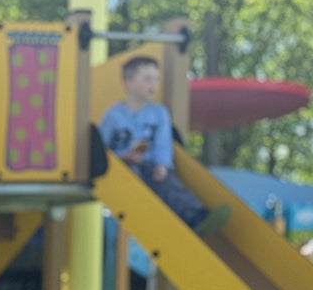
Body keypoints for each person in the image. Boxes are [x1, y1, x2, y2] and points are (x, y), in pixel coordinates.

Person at [99, 55, 231, 237]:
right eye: (147, 79)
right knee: (134, 178)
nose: (153, 84)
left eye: (156, 79)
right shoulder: (113, 115)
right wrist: (122, 156)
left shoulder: (159, 113)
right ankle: (154, 220)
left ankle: (196, 216)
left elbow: (163, 143)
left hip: (151, 164)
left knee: (168, 182)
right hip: (123, 167)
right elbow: (102, 146)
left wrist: (163, 165)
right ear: (128, 83)